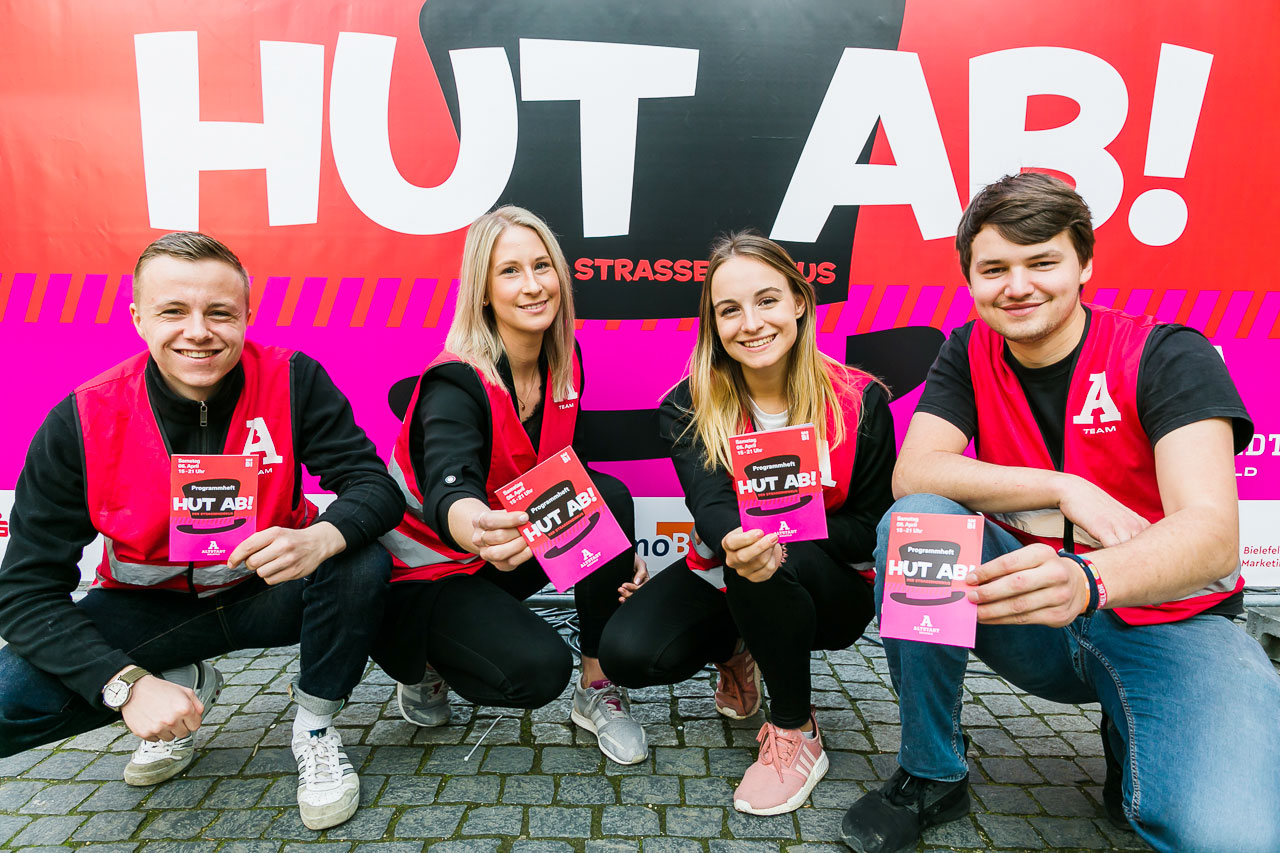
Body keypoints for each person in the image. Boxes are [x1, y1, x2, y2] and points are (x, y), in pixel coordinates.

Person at [839, 173, 1280, 853]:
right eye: (994, 269)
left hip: (1170, 622)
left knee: (1230, 837)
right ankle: (932, 772)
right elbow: (915, 471)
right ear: (970, 278)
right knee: (918, 521)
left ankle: (1131, 729)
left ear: (1084, 264)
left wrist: (1092, 579)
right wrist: (1063, 487)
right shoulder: (969, 348)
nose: (1017, 286)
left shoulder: (1166, 352)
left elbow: (1213, 536)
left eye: (1042, 261)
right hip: (1031, 615)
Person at [0, 232, 402, 832]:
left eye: (220, 312)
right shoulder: (81, 419)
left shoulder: (293, 378)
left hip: (266, 590)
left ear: (246, 316)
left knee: (359, 558)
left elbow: (372, 485)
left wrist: (318, 538)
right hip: (149, 610)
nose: (198, 332)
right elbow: (25, 592)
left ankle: (315, 728)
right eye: (172, 311)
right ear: (137, 318)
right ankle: (178, 680)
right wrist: (124, 686)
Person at [598, 231, 895, 815]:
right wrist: (741, 540)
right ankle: (740, 649)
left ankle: (795, 730)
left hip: (830, 587)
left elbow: (871, 527)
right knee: (627, 652)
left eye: (767, 300)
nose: (751, 323)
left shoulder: (861, 401)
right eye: (729, 309)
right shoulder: (688, 402)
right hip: (728, 566)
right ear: (713, 323)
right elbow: (710, 506)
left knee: (772, 556)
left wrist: (785, 532)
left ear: (799, 303)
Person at [373, 205, 649, 765]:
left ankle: (597, 686)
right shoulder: (455, 381)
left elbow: (565, 468)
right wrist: (478, 527)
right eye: (510, 271)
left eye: (542, 266)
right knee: (537, 670)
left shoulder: (563, 359)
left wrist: (614, 551)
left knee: (609, 498)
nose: (533, 285)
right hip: (425, 573)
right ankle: (424, 658)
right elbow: (450, 481)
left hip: (500, 552)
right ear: (482, 292)